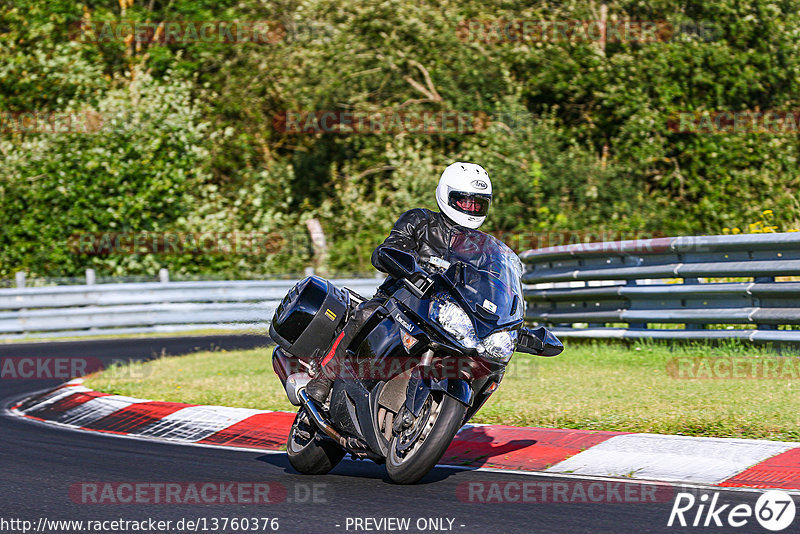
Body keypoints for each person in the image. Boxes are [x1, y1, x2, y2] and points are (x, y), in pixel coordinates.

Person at [305, 162, 493, 403]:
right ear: (447, 195)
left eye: (479, 204)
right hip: (399, 301)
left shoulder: (484, 249)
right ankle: (325, 376)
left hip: (445, 317)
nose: (472, 208)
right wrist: (405, 266)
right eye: (466, 202)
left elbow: (494, 286)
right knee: (366, 314)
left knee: (483, 358)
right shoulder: (420, 220)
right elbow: (388, 249)